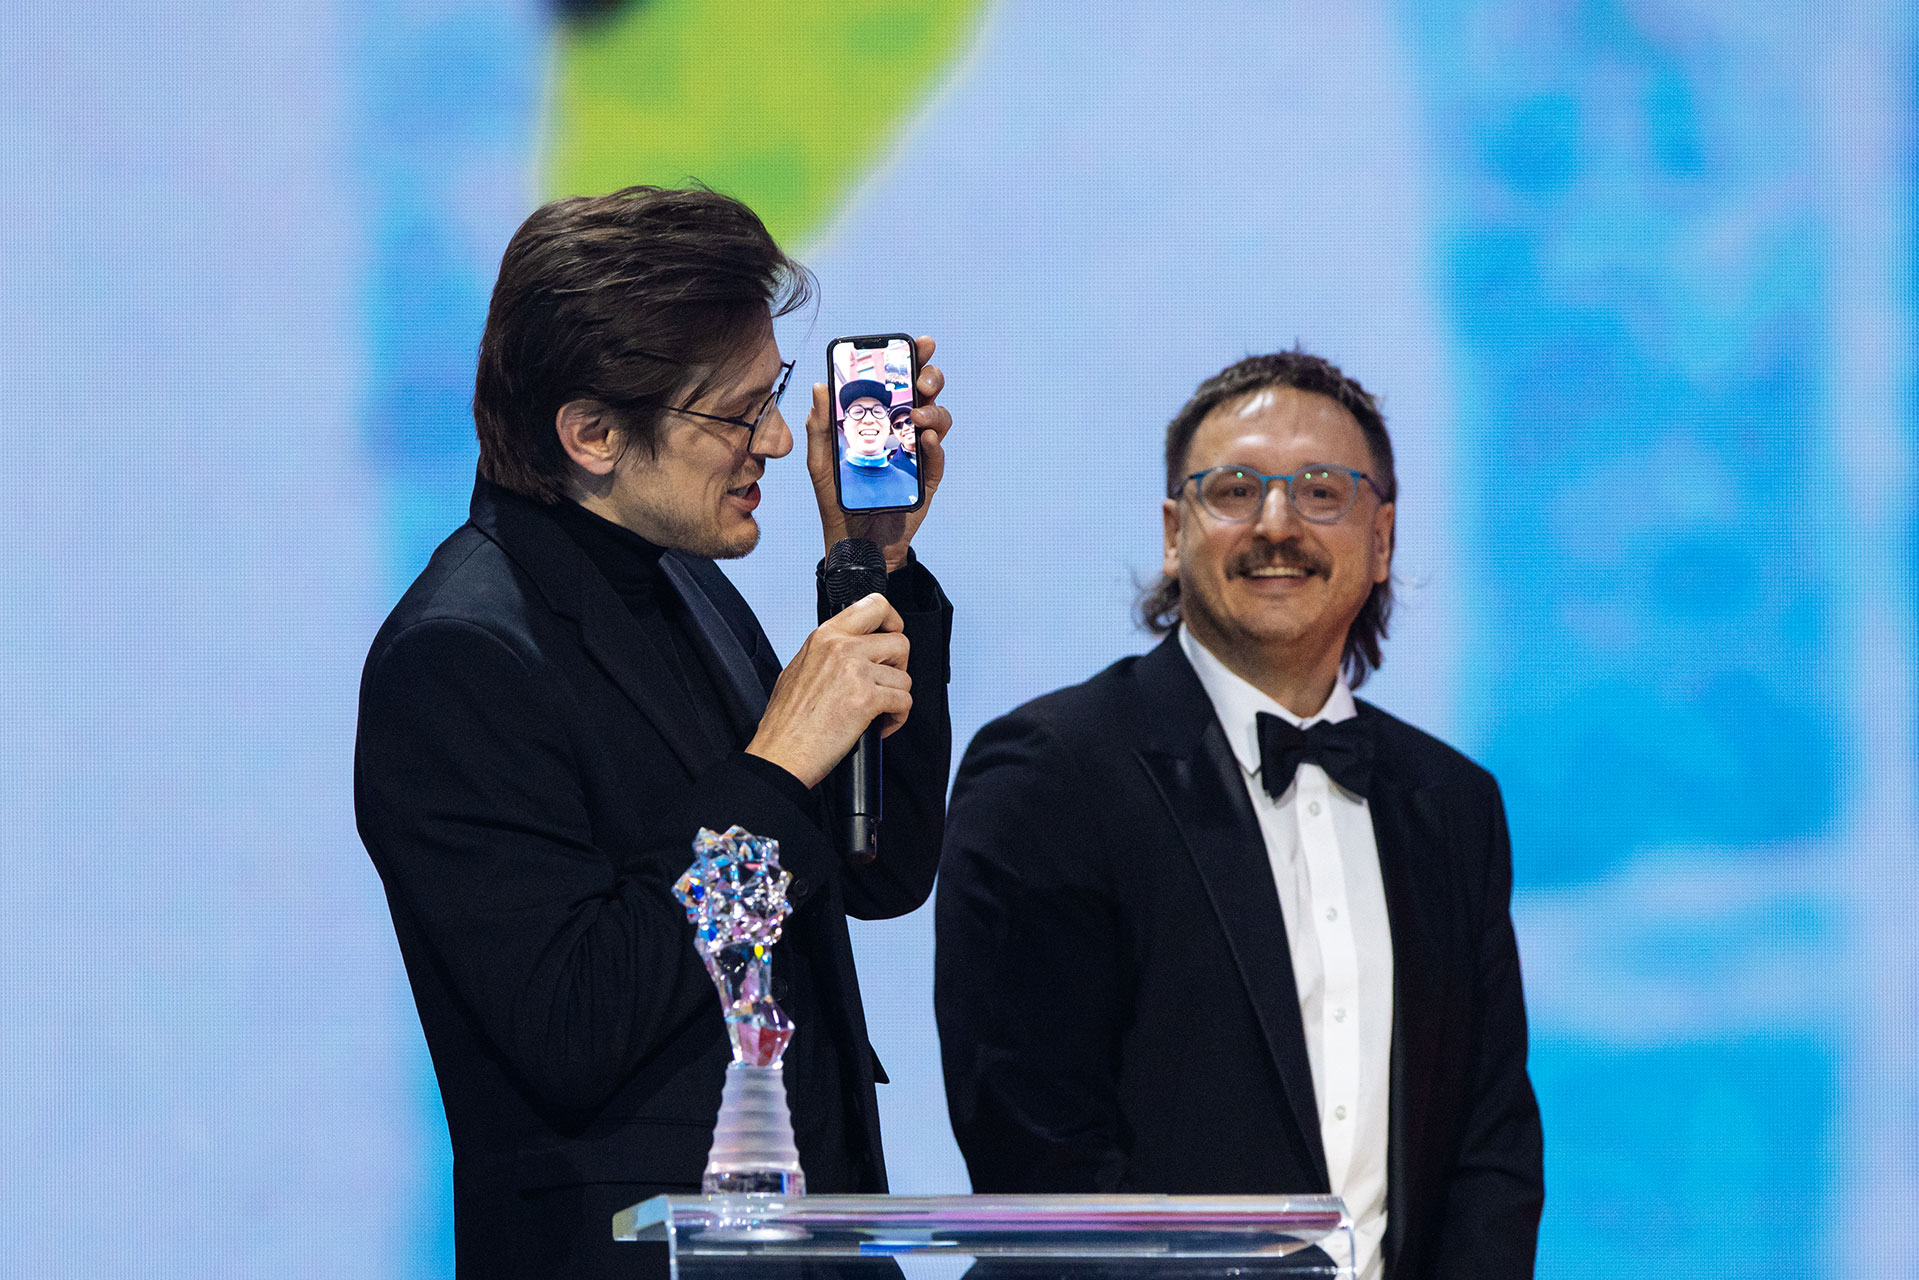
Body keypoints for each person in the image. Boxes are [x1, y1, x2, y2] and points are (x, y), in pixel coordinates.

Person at [354, 186, 957, 1280]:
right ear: (590, 433)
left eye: (773, 392)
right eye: (737, 413)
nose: (778, 439)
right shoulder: (455, 660)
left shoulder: (687, 585)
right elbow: (574, 1018)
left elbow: (877, 866)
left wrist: (870, 563)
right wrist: (776, 765)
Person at [935, 351, 1543, 1280]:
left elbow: (1489, 1145)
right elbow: (1038, 1152)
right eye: (1234, 490)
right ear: (1173, 533)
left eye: (1321, 492)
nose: (1276, 524)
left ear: (1381, 539)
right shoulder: (1049, 774)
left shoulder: (1451, 803)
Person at [836, 379, 919, 508]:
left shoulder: (911, 483)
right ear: (845, 427)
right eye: (857, 412)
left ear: (887, 425)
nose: (869, 419)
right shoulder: (830, 481)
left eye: (878, 411)